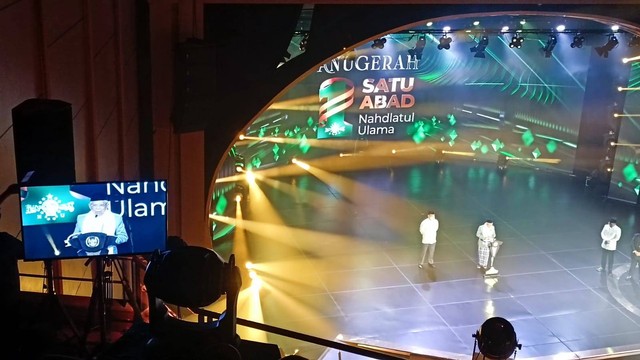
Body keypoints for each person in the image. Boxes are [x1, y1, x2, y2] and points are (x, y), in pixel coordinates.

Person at [65, 189, 128, 256]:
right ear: (90, 206)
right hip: (85, 254)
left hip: (109, 253)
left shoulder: (116, 218)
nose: (98, 208)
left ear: (107, 205)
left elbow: (123, 237)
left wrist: (108, 241)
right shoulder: (81, 218)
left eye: (101, 205)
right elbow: (75, 236)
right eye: (95, 205)